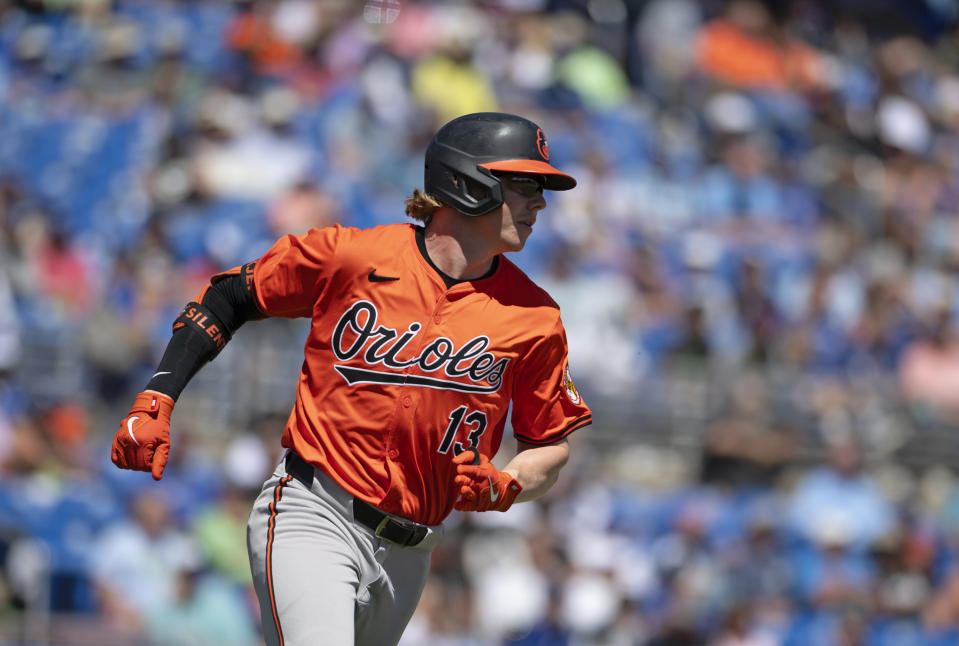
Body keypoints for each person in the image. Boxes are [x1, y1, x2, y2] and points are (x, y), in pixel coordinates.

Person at [110, 111, 593, 646]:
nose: (540, 203)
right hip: (315, 510)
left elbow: (549, 446)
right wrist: (160, 392)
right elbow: (230, 294)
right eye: (525, 185)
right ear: (467, 181)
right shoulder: (354, 257)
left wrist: (509, 484)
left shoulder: (535, 316)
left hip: (411, 553)